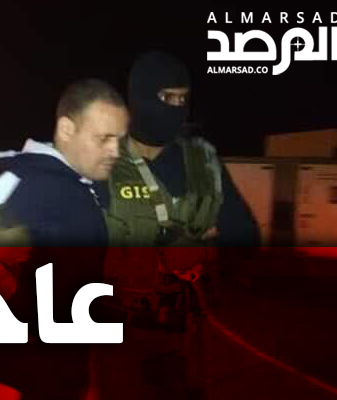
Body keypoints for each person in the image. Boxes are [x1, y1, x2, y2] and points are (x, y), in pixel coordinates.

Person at [0, 78, 129, 400]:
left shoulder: (84, 190)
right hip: (24, 375)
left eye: (118, 140)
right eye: (103, 139)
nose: (114, 151)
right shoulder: (25, 181)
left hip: (70, 371)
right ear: (67, 130)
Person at [94, 50, 261, 400]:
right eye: (165, 97)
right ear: (138, 98)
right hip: (118, 335)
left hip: (183, 337)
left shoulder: (201, 161)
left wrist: (198, 245)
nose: (175, 107)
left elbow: (246, 236)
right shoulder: (100, 160)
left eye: (182, 99)